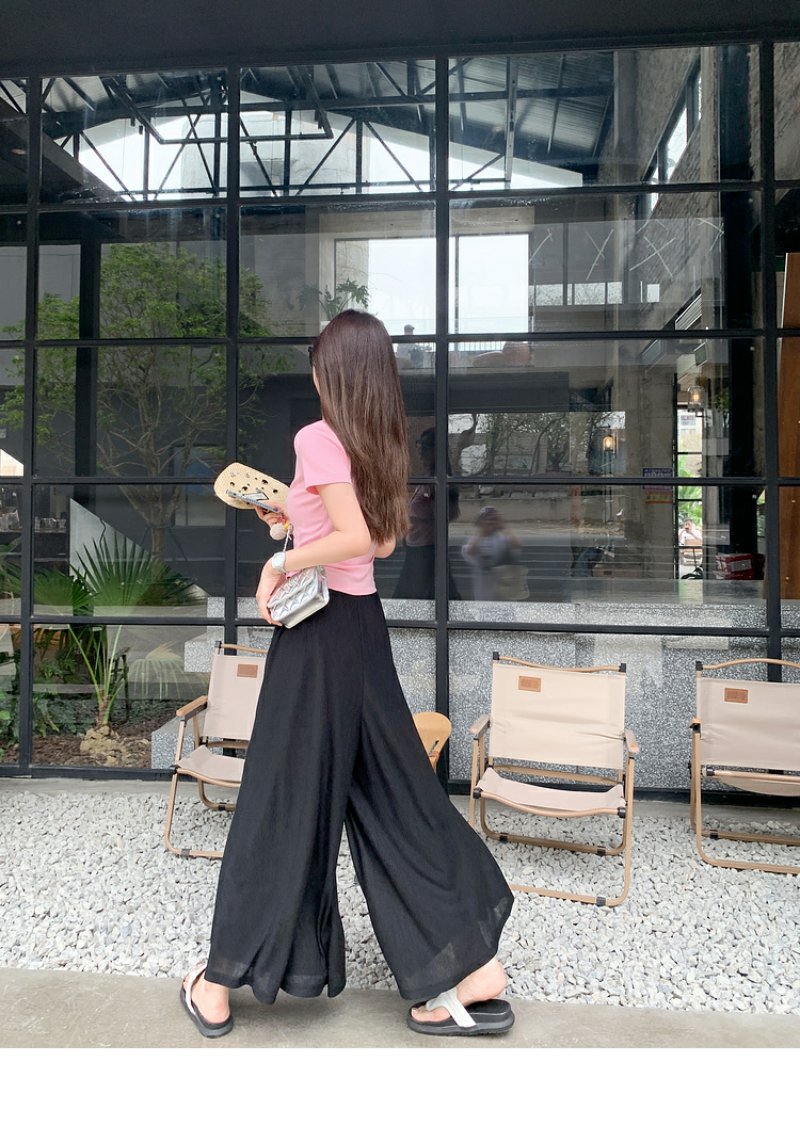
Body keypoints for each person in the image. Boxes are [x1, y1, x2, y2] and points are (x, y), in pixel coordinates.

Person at [181, 310, 514, 1039]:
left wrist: (280, 560)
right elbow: (380, 539)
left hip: (317, 637)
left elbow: (358, 536)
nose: (312, 372)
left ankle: (218, 982)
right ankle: (472, 964)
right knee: (396, 794)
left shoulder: (317, 437)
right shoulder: (379, 442)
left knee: (281, 797)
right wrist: (292, 524)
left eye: (318, 361)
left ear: (334, 371)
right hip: (362, 632)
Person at [393, 427, 461, 601]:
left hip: (426, 549)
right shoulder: (428, 477)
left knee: (415, 596)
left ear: (436, 450)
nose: (421, 454)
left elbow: (448, 512)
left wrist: (412, 511)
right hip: (417, 546)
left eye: (425, 448)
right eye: (420, 448)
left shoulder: (439, 479)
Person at [461, 506, 522, 601]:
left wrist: (503, 526)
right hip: (483, 594)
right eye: (486, 519)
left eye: (493, 519)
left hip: (503, 594)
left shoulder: (502, 539)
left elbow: (516, 545)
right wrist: (482, 531)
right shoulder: (474, 540)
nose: (490, 522)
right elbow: (470, 551)